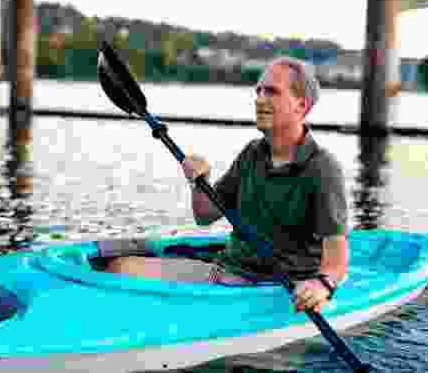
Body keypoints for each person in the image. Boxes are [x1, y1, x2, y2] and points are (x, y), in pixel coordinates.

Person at [106, 56, 349, 314]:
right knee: (119, 268)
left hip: (278, 290)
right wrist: (199, 182)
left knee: (124, 274)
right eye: (258, 91)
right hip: (227, 272)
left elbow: (336, 260)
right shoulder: (252, 153)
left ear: (301, 106)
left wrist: (321, 286)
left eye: (272, 92)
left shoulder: (323, 168)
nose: (260, 99)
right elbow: (205, 215)